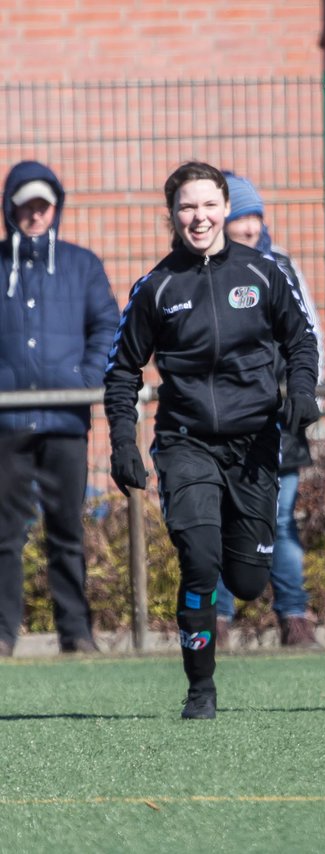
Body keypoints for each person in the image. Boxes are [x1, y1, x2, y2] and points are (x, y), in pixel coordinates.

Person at [104, 162, 319, 719]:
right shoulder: (157, 287)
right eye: (186, 207)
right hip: (185, 442)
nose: (197, 217)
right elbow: (123, 371)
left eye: (207, 206)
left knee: (247, 582)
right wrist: (123, 443)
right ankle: (200, 688)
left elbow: (301, 342)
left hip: (254, 447)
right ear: (172, 215)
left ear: (226, 209)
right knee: (199, 562)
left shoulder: (266, 273)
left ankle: (233, 533)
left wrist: (302, 392)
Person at [0, 161, 119, 657]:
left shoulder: (81, 264)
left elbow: (107, 326)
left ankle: (76, 632)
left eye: (42, 205)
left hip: (66, 422)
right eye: (25, 205)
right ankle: (4, 634)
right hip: (6, 422)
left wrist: (85, 381)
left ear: (56, 208)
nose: (34, 215)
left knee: (66, 531)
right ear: (10, 209)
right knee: (5, 535)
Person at [212, 171, 324, 649]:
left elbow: (308, 335)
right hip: (221, 417)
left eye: (255, 216)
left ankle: (294, 617)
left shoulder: (282, 267)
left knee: (278, 519)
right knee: (217, 519)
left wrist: (297, 391)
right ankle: (216, 619)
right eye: (241, 217)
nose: (251, 227)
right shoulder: (201, 271)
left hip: (278, 418)